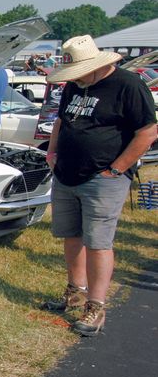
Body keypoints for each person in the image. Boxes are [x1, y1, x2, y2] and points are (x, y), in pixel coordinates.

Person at [41, 35, 158, 336]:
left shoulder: (128, 85)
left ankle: (96, 306)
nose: (74, 79)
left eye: (77, 73)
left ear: (95, 65)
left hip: (103, 177)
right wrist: (52, 152)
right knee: (72, 236)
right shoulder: (74, 85)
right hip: (66, 174)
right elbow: (60, 121)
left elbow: (147, 132)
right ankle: (74, 291)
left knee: (98, 242)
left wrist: (116, 169)